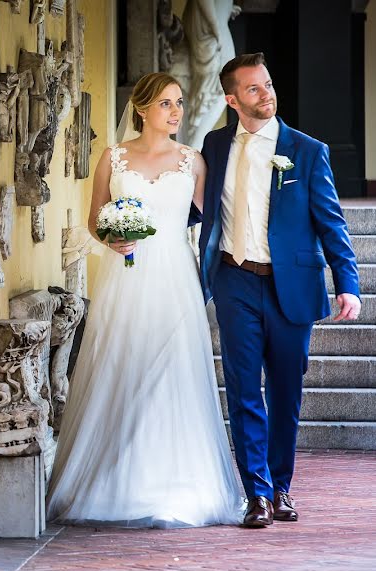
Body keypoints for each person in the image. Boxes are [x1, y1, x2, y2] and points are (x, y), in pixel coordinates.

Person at [47, 72, 243, 528]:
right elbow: (97, 217)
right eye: (166, 104)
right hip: (126, 278)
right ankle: (116, 480)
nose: (176, 113)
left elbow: (215, 221)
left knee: (169, 372)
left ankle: (174, 482)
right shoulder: (112, 158)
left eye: (179, 103)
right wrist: (112, 237)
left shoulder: (192, 162)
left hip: (175, 279)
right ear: (141, 109)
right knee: (124, 366)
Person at [198, 53, 360, 527]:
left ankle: (282, 486)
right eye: (253, 89)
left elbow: (333, 225)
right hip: (234, 281)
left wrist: (347, 283)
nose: (265, 93)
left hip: (291, 286)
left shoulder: (307, 151)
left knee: (286, 392)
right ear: (232, 100)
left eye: (267, 84)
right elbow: (197, 206)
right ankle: (257, 495)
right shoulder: (214, 145)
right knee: (245, 389)